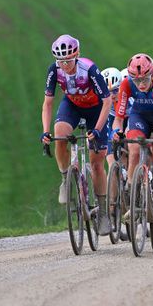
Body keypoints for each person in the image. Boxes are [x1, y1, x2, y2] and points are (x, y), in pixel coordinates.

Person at [40, 34, 113, 235]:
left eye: (69, 60)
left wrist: (97, 129)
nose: (65, 65)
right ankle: (66, 179)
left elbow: (107, 102)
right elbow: (48, 104)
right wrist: (45, 131)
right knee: (60, 136)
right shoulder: (54, 70)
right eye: (61, 61)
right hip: (72, 105)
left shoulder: (89, 69)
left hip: (96, 110)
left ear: (77, 55)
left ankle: (103, 211)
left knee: (97, 162)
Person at [111, 53, 153, 219]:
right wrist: (116, 131)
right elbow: (118, 119)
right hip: (140, 117)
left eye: (145, 80)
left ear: (152, 75)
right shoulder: (126, 84)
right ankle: (132, 192)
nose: (140, 84)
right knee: (133, 148)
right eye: (137, 81)